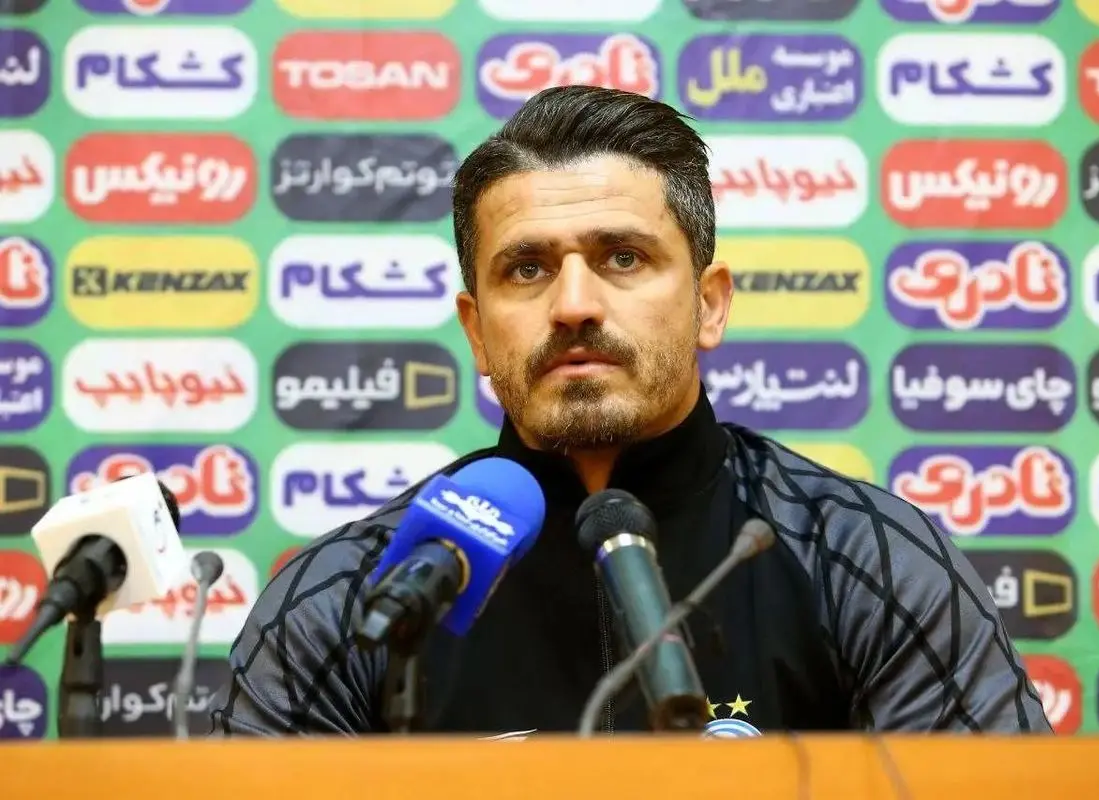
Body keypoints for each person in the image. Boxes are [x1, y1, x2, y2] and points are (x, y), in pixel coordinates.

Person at [209, 85, 1052, 737]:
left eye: (622, 257)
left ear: (709, 304)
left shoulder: (865, 557)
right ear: (475, 330)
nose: (574, 304)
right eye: (527, 270)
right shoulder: (359, 597)